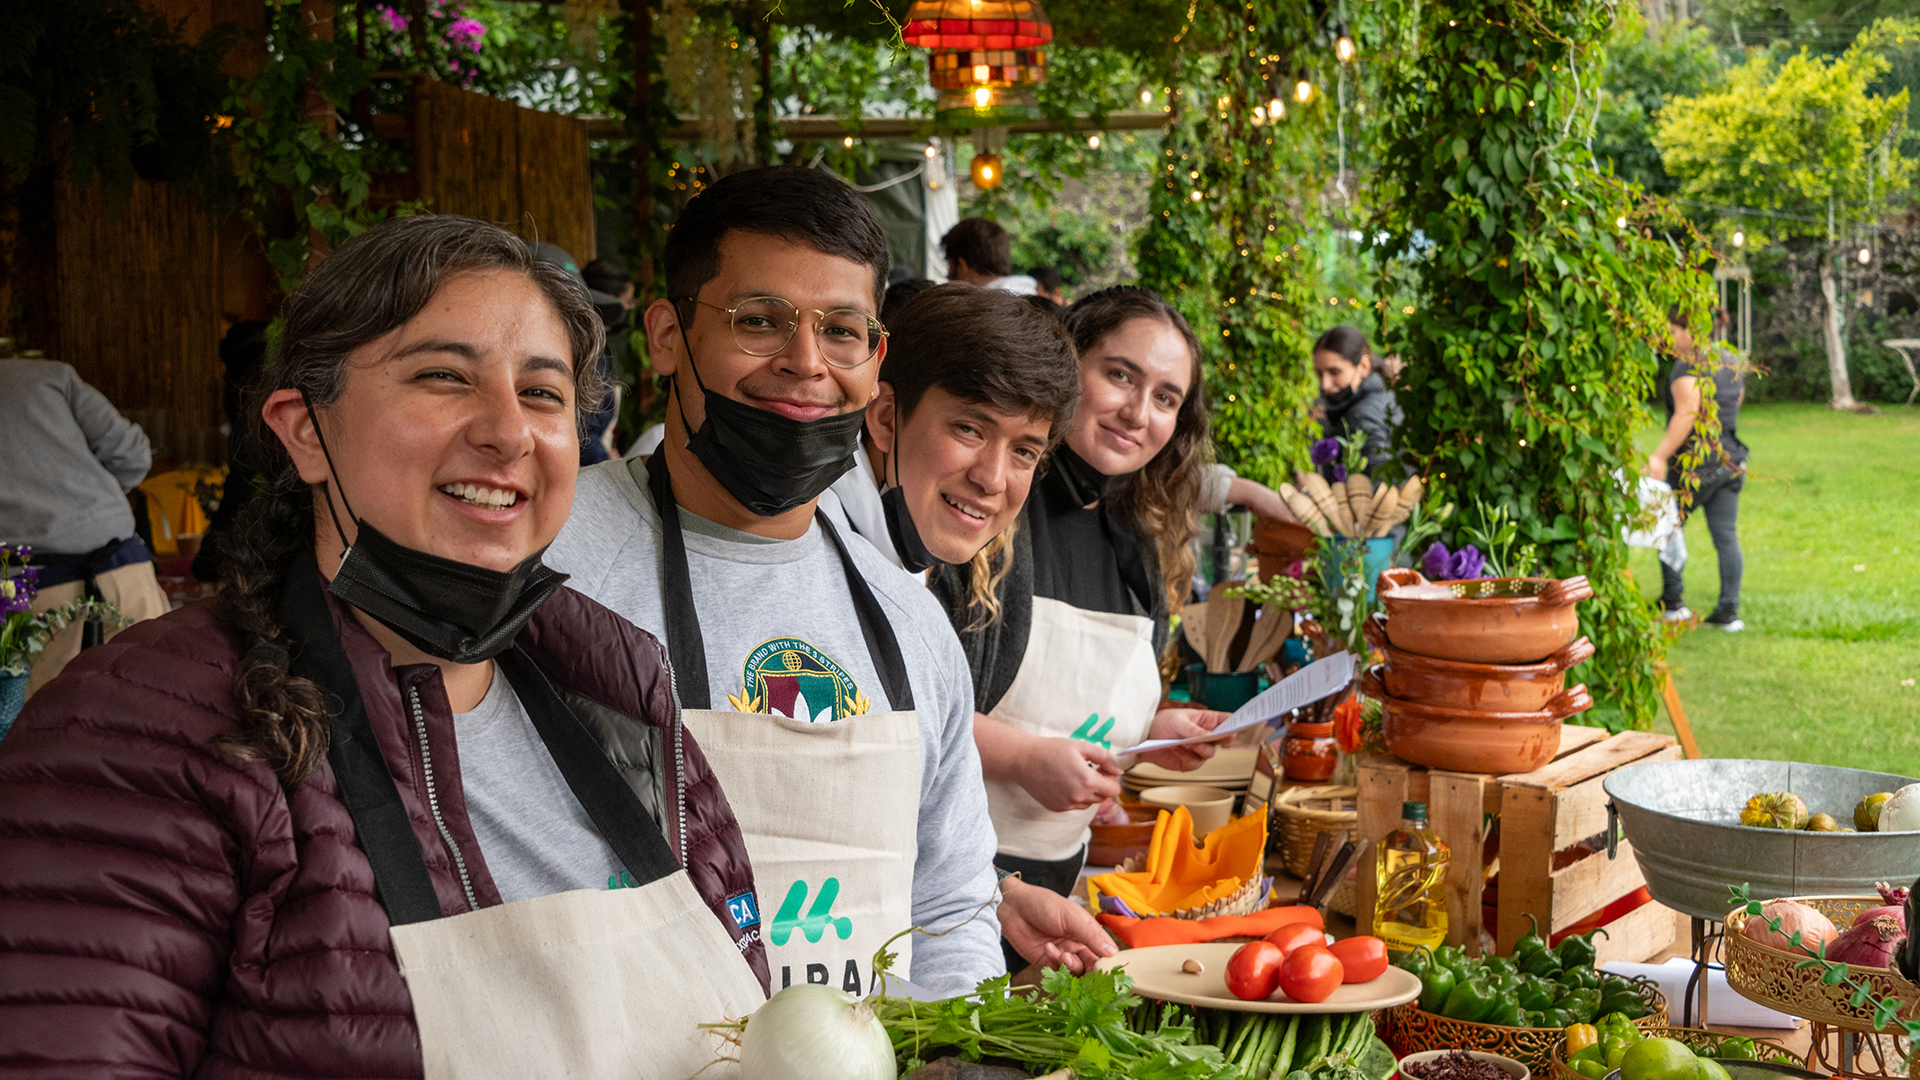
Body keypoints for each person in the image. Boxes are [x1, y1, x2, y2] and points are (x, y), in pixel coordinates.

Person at [0, 215, 769, 1076]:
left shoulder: (619, 686)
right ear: (302, 430)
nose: (509, 432)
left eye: (543, 393)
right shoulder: (138, 730)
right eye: (443, 376)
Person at [543, 166, 1004, 996]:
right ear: (667, 335)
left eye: (842, 331)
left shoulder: (908, 620)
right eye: (760, 321)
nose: (805, 363)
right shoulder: (546, 564)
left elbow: (951, 905)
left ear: (876, 359)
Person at [819, 282, 1118, 975]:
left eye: (1024, 451)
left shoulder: (908, 571)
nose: (993, 478)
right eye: (969, 428)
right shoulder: (811, 552)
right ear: (886, 416)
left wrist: (997, 898)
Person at [932, 286, 1235, 939]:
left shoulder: (1140, 539)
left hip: (1055, 897)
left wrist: (1154, 731)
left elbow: (1080, 707)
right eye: (1120, 375)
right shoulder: (985, 504)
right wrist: (1019, 759)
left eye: (1165, 397)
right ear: (1070, 364)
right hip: (941, 888)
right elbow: (905, 703)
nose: (1136, 412)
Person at [0, 357, 172, 696]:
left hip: (25, 591)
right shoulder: (46, 376)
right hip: (122, 574)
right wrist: (88, 502)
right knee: (154, 708)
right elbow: (132, 456)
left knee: (49, 731)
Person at [1650, 306, 1748, 631]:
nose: (1670, 338)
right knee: (1726, 537)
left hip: (1694, 466)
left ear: (1690, 331)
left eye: (1673, 331)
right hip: (1730, 459)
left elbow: (1687, 414)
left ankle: (1673, 603)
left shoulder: (1687, 366)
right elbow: (1735, 403)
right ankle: (1728, 612)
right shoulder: (1729, 360)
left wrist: (1660, 457)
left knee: (1667, 528)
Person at [1312, 324, 1403, 474]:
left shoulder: (1363, 416)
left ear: (1363, 366)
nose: (1324, 384)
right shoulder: (1382, 396)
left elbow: (1376, 486)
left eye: (1334, 372)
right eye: (1319, 374)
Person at [941, 217, 1038, 295]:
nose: (947, 276)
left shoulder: (979, 311)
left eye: (949, 265)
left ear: (962, 267)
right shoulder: (1034, 301)